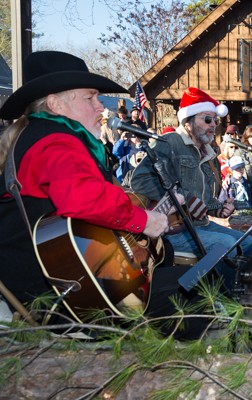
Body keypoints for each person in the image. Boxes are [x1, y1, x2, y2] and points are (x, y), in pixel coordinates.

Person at [0, 51, 211, 338]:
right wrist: (143, 220)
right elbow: (82, 198)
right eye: (90, 98)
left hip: (57, 281)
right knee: (195, 292)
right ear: (55, 103)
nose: (101, 107)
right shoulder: (56, 141)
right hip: (59, 293)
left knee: (175, 268)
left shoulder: (45, 135)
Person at [130, 87, 252, 288]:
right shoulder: (171, 142)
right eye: (207, 119)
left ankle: (225, 290)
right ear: (188, 121)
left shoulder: (207, 152)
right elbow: (140, 180)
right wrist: (180, 198)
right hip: (172, 229)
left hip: (200, 225)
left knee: (248, 243)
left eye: (216, 120)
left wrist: (219, 208)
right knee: (224, 246)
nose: (213, 125)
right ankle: (211, 298)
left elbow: (203, 200)